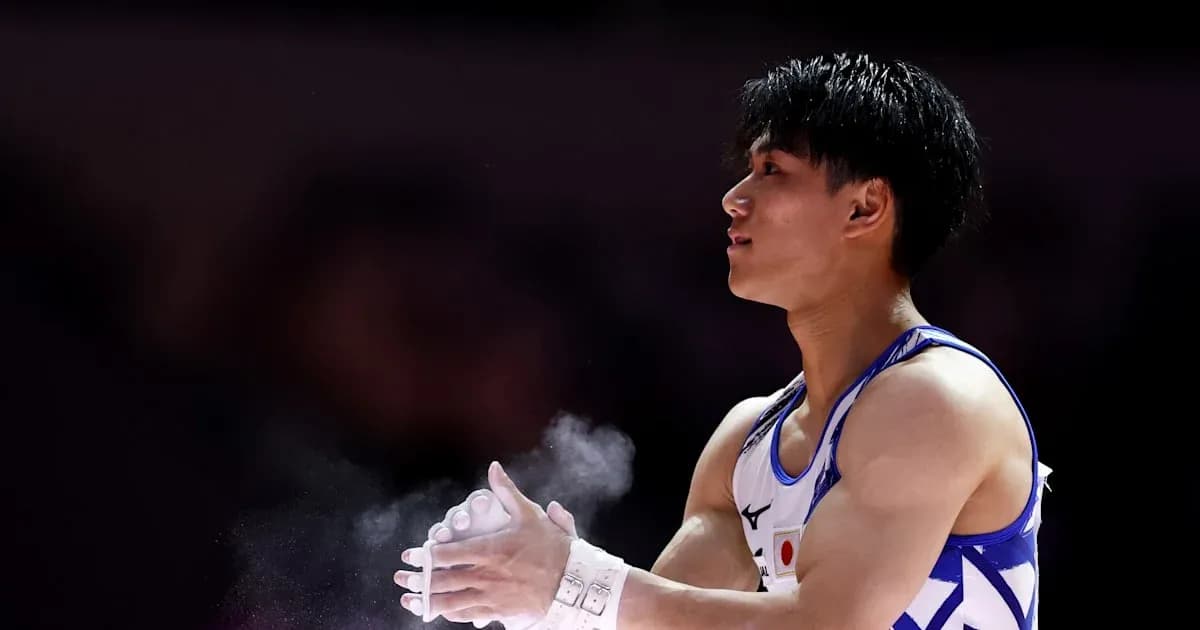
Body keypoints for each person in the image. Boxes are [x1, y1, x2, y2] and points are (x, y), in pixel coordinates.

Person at [393, 51, 1052, 630]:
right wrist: (530, 594)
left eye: (773, 171)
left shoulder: (938, 399)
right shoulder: (747, 445)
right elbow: (654, 619)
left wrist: (575, 583)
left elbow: (826, 625)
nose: (734, 197)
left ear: (864, 208)